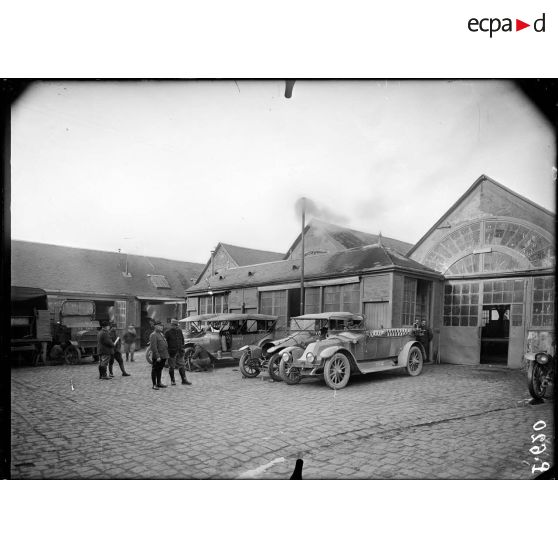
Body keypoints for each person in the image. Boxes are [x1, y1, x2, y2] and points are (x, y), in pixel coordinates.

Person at [165, 318, 192, 386]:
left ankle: (184, 380)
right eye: (175, 325)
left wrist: (182, 348)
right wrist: (167, 351)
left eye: (177, 325)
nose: (177, 327)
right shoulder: (167, 332)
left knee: (182, 366)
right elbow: (165, 343)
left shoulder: (179, 331)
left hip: (180, 351)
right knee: (172, 367)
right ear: (172, 325)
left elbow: (182, 340)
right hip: (172, 352)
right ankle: (172, 380)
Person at [149, 320, 169, 390]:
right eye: (160, 326)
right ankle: (154, 384)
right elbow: (153, 347)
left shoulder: (161, 334)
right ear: (156, 327)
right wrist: (157, 356)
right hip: (158, 356)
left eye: (162, 326)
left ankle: (159, 383)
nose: (162, 327)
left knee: (160, 369)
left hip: (163, 355)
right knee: (155, 369)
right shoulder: (153, 335)